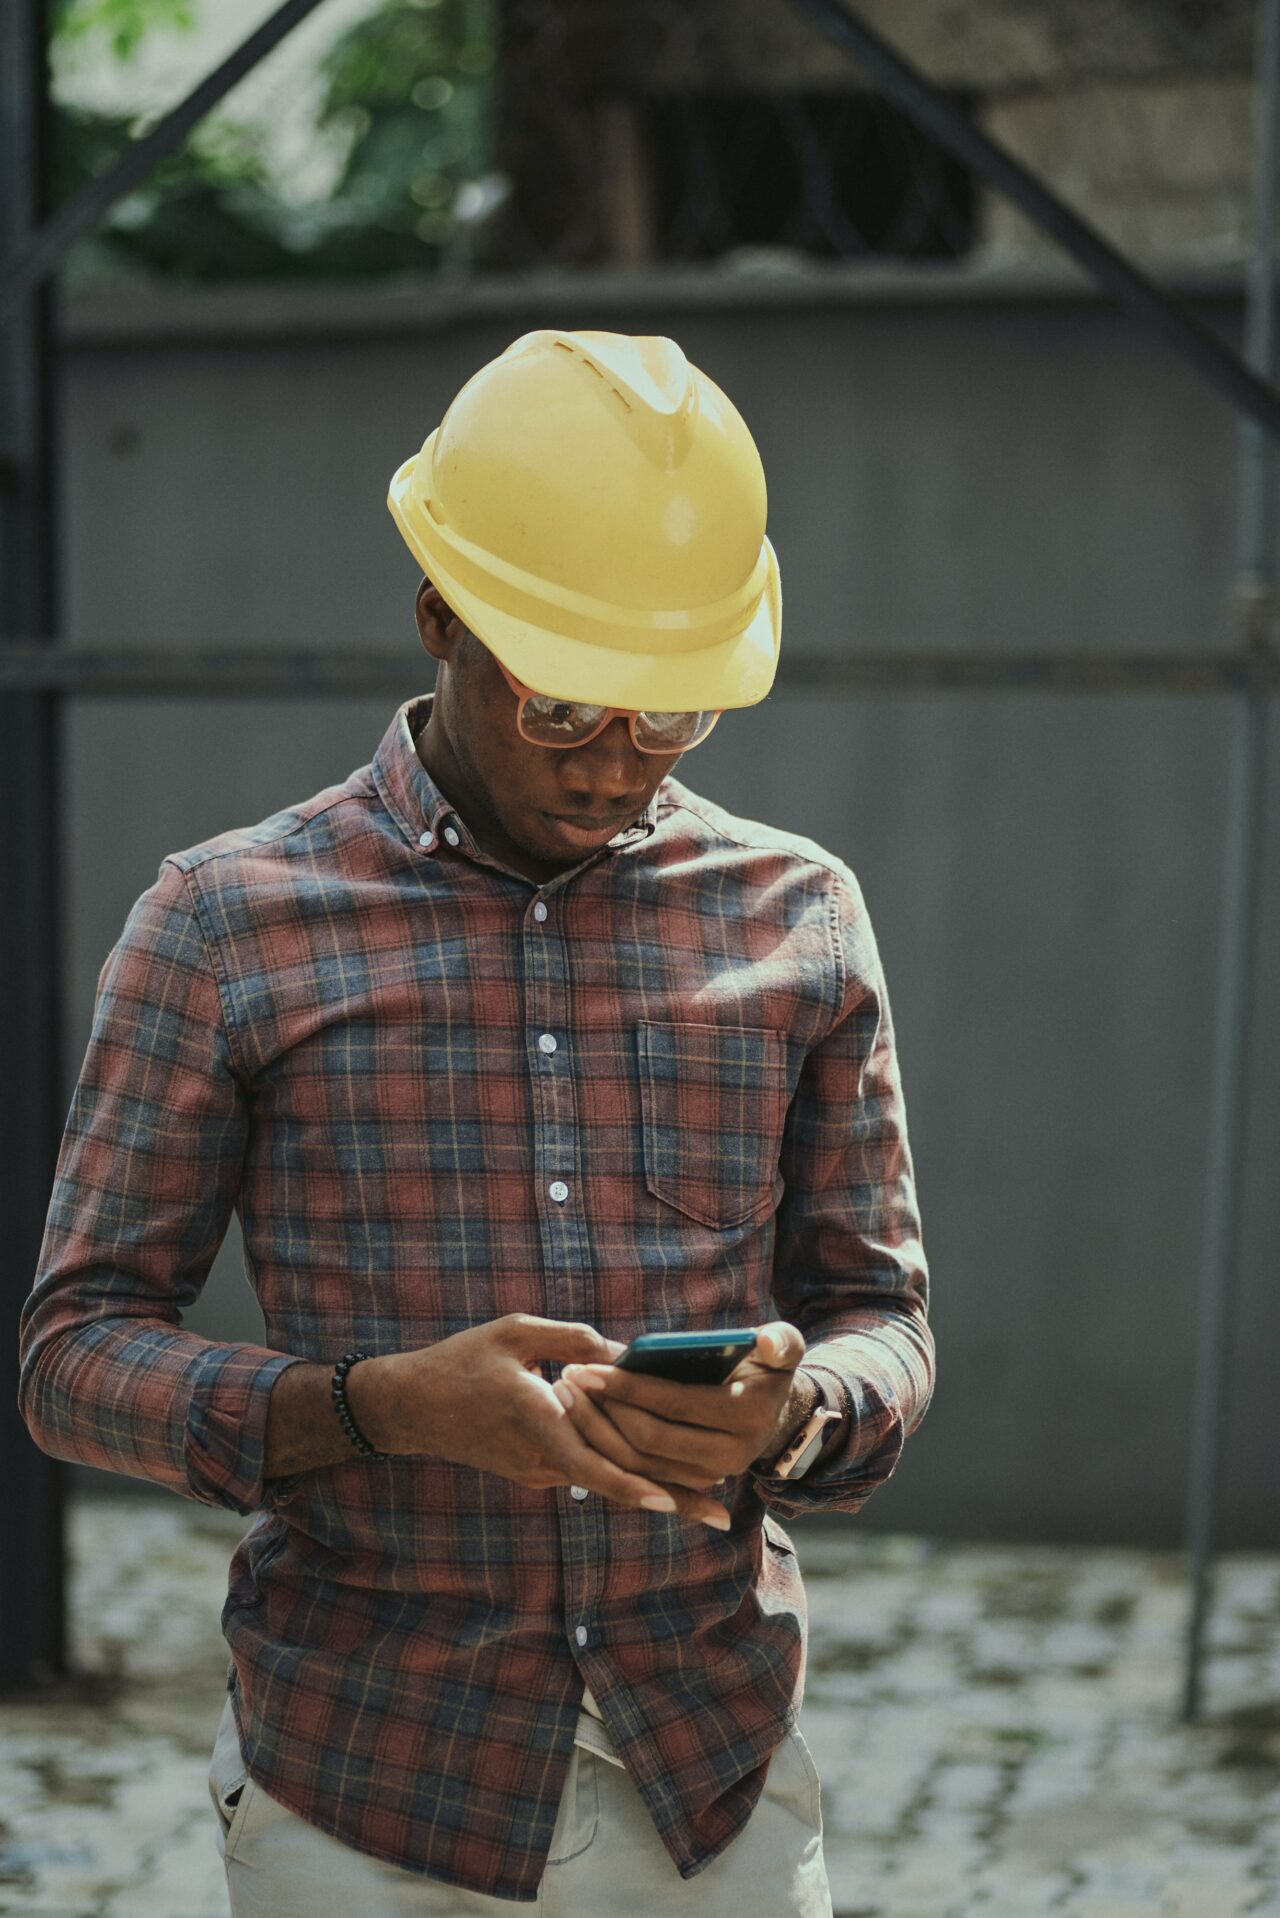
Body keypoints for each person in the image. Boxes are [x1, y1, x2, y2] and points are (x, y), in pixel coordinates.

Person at [18, 328, 934, 1916]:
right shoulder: (226, 925)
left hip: (712, 1770)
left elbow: (882, 1318)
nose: (614, 765)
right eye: (566, 701)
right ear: (440, 610)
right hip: (365, 1785)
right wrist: (376, 1406)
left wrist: (793, 1415)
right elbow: (71, 1355)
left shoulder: (800, 916)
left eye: (671, 718)